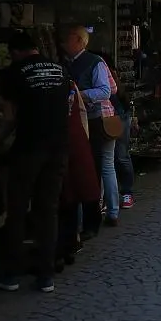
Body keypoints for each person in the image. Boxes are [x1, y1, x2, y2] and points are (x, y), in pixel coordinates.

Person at [0, 30, 70, 293]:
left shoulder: (15, 71)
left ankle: (11, 274)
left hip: (28, 148)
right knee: (48, 210)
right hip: (58, 147)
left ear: (15, 52)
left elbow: (10, 116)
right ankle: (45, 275)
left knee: (18, 210)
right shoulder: (60, 70)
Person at [63, 26, 120, 233]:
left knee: (97, 167)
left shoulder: (90, 62)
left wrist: (79, 95)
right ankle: (111, 211)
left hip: (96, 120)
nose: (64, 42)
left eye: (68, 38)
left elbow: (105, 91)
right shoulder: (92, 62)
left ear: (78, 41)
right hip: (102, 117)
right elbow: (113, 88)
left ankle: (103, 211)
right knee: (106, 165)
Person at [56, 81, 100, 273]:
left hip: (59, 147)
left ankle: (64, 246)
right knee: (69, 197)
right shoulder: (67, 84)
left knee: (65, 198)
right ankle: (70, 242)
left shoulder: (67, 84)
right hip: (71, 145)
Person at [105, 58, 135, 210]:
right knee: (111, 159)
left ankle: (126, 192)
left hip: (118, 117)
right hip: (109, 118)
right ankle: (111, 197)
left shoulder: (112, 83)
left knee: (120, 156)